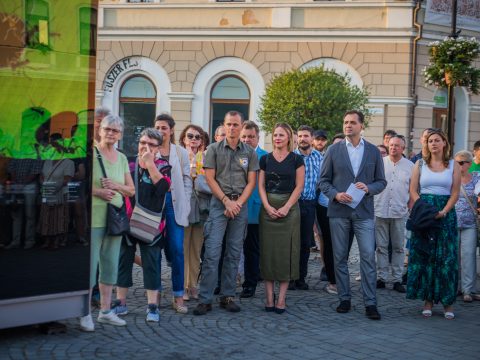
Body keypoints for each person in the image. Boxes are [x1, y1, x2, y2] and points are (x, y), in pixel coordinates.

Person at [319, 110, 387, 320]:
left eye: (352, 122)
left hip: (364, 212)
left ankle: (370, 303)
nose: (348, 125)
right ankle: (344, 298)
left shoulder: (373, 152)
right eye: (345, 122)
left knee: (367, 256)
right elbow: (323, 182)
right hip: (339, 211)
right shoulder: (333, 149)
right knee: (340, 257)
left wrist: (368, 188)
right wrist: (336, 195)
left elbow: (381, 182)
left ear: (361, 126)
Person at [193, 111, 259, 316]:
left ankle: (228, 296)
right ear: (224, 125)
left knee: (233, 252)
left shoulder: (249, 152)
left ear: (241, 127)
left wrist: (237, 203)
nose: (232, 128)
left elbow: (252, 182)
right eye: (229, 124)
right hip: (218, 204)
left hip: (240, 205)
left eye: (236, 125)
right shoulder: (212, 149)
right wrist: (226, 202)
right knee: (212, 252)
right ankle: (205, 299)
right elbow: (210, 179)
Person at [80, 115, 135, 331]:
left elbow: (130, 190)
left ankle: (105, 311)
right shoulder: (91, 154)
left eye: (115, 130)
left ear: (120, 134)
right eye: (107, 129)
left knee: (110, 265)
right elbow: (80, 185)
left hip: (115, 218)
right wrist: (99, 191)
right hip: (93, 217)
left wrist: (115, 186)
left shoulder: (121, 158)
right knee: (90, 266)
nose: (111, 133)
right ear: (99, 130)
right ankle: (84, 312)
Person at [114, 128, 171, 322]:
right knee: (124, 261)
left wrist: (150, 165)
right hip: (128, 222)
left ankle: (152, 306)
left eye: (151, 145)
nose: (145, 147)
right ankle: (120, 302)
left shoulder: (163, 166)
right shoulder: (128, 162)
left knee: (152, 263)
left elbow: (163, 188)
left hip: (153, 224)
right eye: (142, 143)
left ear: (159, 148)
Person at [407, 129, 460, 319]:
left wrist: (444, 211)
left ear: (444, 143)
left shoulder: (453, 165)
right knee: (425, 256)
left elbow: (455, 192)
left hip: (446, 213)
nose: (433, 144)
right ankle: (427, 301)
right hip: (425, 212)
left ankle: (448, 303)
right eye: (430, 141)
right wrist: (426, 209)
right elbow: (413, 190)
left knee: (447, 258)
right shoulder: (420, 164)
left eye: (437, 140)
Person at [258, 123, 304, 313]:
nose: (277, 138)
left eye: (281, 135)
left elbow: (299, 186)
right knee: (268, 253)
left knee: (286, 254)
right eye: (275, 134)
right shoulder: (265, 159)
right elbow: (260, 186)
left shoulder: (297, 159)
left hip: (289, 211)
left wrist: (286, 207)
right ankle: (269, 298)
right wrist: (268, 206)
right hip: (267, 210)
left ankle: (282, 299)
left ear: (289, 138)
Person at [154, 113, 192, 314]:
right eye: (158, 127)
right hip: (155, 206)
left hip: (174, 204)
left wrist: (185, 205)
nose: (161, 131)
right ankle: (156, 293)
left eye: (164, 128)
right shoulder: (150, 150)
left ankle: (178, 295)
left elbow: (187, 179)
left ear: (171, 130)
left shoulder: (180, 152)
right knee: (156, 250)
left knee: (177, 250)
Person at [374, 135, 413, 293]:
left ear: (403, 148)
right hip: (379, 209)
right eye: (391, 145)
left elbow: (414, 189)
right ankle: (381, 277)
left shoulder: (410, 166)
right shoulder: (380, 164)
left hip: (399, 211)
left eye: (397, 145)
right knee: (381, 247)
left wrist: (410, 205)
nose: (393, 148)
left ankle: (397, 279)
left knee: (398, 247)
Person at [179, 124, 208, 301]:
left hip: (201, 208)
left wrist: (198, 175)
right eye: (190, 136)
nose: (194, 140)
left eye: (197, 137)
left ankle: (193, 285)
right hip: (183, 208)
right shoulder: (178, 156)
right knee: (182, 249)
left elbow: (210, 183)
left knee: (196, 249)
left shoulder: (205, 158)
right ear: (183, 138)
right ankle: (181, 285)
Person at [239, 120, 268, 298]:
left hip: (255, 210)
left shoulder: (265, 157)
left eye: (251, 137)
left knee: (252, 248)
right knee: (231, 247)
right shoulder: (234, 154)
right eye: (244, 136)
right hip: (235, 207)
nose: (247, 140)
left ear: (257, 137)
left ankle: (250, 283)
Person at [291, 125, 322, 290]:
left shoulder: (319, 157)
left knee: (304, 243)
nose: (303, 139)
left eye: (306, 136)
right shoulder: (292, 156)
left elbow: (322, 180)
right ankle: (289, 278)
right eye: (300, 136)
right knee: (290, 242)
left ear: (312, 138)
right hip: (292, 204)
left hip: (310, 204)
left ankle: (301, 278)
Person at [453, 150, 480, 302]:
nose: (459, 165)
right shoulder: (451, 178)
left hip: (470, 223)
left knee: (468, 256)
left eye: (462, 162)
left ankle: (468, 290)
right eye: (457, 162)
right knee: (453, 256)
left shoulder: (476, 178)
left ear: (469, 164)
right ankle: (454, 287)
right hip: (452, 222)